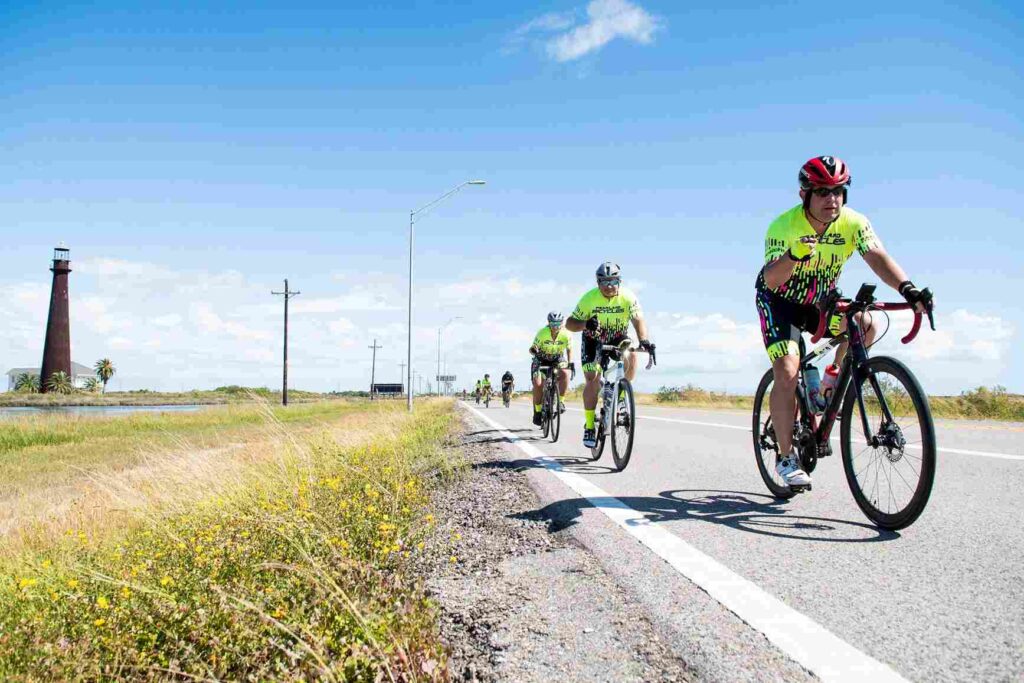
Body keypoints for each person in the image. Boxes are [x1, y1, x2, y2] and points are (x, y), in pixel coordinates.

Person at [755, 155, 934, 490]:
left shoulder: (853, 223)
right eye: (822, 191)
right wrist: (794, 255)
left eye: (838, 191)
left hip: (821, 302)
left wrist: (908, 290)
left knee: (866, 324)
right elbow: (773, 279)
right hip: (781, 302)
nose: (831, 199)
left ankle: (830, 380)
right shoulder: (783, 226)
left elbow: (877, 256)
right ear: (804, 195)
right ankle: (785, 456)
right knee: (788, 370)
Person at [566, 263, 655, 447]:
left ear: (619, 281)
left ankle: (622, 396)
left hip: (617, 337)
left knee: (630, 354)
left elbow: (638, 320)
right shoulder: (589, 298)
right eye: (604, 282)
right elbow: (569, 324)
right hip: (593, 341)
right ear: (598, 283)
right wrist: (585, 324)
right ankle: (590, 426)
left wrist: (644, 340)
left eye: (613, 281)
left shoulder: (628, 297)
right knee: (593, 379)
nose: (609, 286)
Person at [528, 312, 576, 426]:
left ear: (561, 323)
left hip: (557, 358)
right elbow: (532, 349)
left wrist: (570, 363)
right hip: (540, 359)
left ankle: (561, 401)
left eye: (558, 324)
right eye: (553, 324)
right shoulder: (542, 333)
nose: (555, 326)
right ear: (549, 323)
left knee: (565, 372)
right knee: (538, 384)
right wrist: (533, 350)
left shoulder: (566, 334)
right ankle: (538, 411)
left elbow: (569, 349)